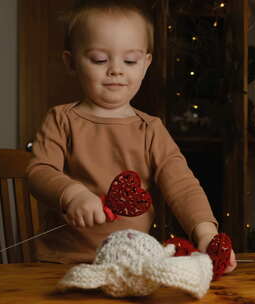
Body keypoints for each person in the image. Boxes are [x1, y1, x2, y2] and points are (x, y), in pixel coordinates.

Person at [26, 0, 237, 272]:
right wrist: (71, 193)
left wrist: (205, 232)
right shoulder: (61, 119)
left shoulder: (151, 129)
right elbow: (39, 171)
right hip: (62, 261)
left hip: (132, 261)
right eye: (100, 59)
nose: (116, 69)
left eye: (130, 60)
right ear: (71, 62)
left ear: (146, 64)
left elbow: (182, 186)